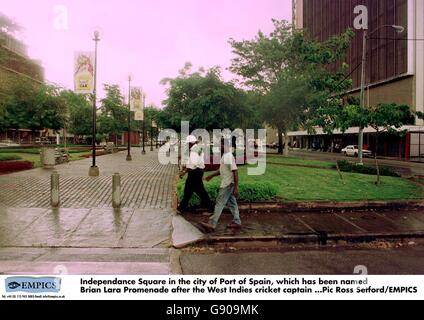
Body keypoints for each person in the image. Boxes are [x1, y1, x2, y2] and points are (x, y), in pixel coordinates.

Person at [201, 139, 241, 232]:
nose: (218, 147)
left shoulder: (229, 156)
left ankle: (212, 223)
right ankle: (237, 221)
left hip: (227, 184)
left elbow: (235, 171)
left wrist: (236, 187)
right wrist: (210, 176)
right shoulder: (224, 156)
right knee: (232, 203)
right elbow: (221, 170)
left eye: (220, 145)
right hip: (228, 183)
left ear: (225, 145)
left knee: (219, 202)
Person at [177, 135, 214, 214]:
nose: (187, 145)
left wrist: (184, 172)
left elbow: (193, 164)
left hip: (195, 172)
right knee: (190, 190)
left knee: (196, 190)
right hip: (197, 171)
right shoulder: (198, 148)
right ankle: (182, 208)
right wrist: (185, 170)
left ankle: (210, 208)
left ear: (191, 143)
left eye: (188, 143)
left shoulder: (194, 150)